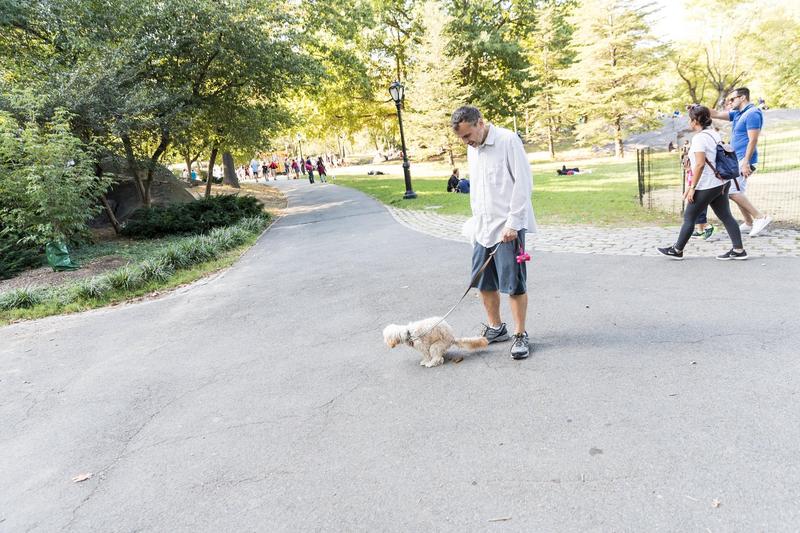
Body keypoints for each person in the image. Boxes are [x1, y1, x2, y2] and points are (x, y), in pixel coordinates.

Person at [451, 105, 536, 360]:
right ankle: (497, 327)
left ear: (480, 123)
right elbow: (477, 189)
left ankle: (520, 335)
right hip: (483, 227)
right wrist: (476, 222)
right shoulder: (472, 149)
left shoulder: (508, 141)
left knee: (514, 283)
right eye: (462, 138)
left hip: (507, 227)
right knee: (482, 280)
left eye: (467, 135)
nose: (466, 142)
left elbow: (523, 182)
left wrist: (514, 222)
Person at [657, 105, 747, 260]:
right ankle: (739, 250)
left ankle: (677, 250)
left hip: (707, 184)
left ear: (695, 121)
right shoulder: (713, 134)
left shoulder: (699, 138)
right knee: (726, 216)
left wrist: (692, 187)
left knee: (689, 217)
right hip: (721, 182)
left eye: (690, 119)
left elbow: (699, 164)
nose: (689, 122)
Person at [707, 87, 771, 236]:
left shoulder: (753, 113)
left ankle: (761, 217)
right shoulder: (737, 114)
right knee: (738, 191)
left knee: (732, 191)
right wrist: (697, 107)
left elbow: (753, 139)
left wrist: (745, 162)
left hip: (744, 160)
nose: (730, 102)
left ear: (742, 98)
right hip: (736, 159)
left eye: (732, 99)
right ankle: (749, 223)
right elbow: (715, 113)